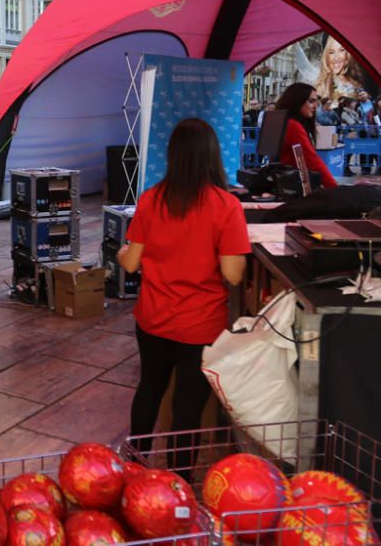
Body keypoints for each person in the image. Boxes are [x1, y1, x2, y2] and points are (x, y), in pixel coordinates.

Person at [118, 118, 250, 479]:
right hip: (200, 325)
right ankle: (178, 483)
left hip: (152, 318)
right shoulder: (226, 206)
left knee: (149, 388)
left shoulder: (151, 199)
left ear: (173, 156)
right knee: (187, 408)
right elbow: (234, 274)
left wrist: (120, 253)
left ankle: (134, 468)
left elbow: (131, 263)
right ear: (213, 157)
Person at [275, 83, 337, 188]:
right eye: (311, 101)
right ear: (297, 101)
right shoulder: (293, 126)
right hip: (293, 187)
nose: (316, 106)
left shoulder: (280, 121)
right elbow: (312, 160)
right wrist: (335, 188)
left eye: (316, 101)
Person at [315, 36, 370, 105]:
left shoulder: (354, 80)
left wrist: (365, 98)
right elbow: (323, 110)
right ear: (326, 56)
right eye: (331, 52)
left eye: (341, 50)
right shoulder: (322, 84)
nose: (336, 58)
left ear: (347, 54)